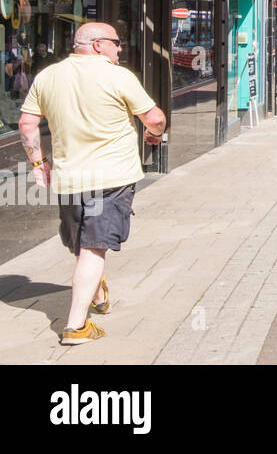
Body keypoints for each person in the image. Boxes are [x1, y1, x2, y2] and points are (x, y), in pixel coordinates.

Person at [18, 22, 167, 345]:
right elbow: (154, 118)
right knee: (93, 246)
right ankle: (76, 326)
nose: (120, 48)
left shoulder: (48, 76)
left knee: (85, 244)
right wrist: (154, 136)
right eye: (116, 42)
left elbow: (27, 123)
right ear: (98, 44)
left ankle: (98, 295)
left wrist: (38, 163)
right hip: (111, 178)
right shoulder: (118, 76)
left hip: (71, 176)